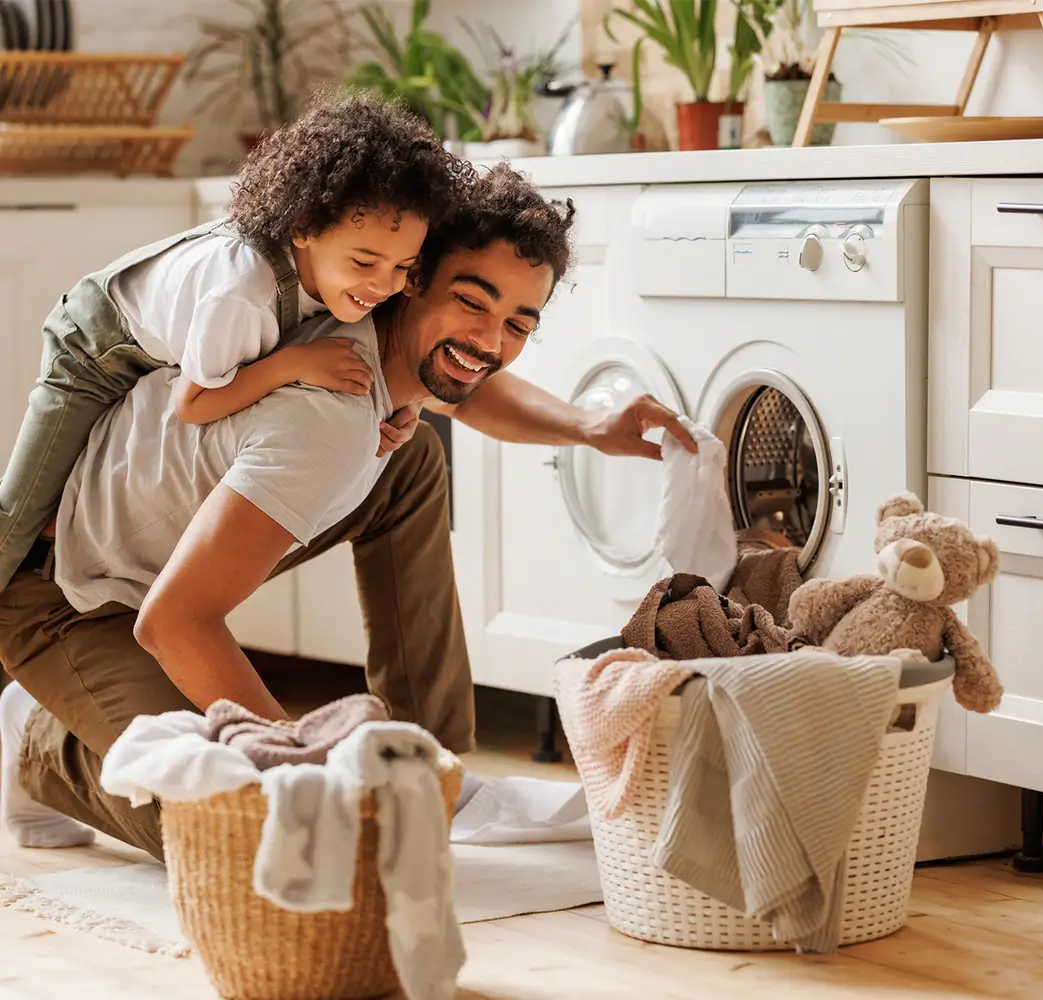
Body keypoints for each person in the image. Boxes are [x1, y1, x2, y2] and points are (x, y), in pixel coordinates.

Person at [0, 163, 695, 859]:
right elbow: (175, 622)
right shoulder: (325, 418)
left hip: (154, 549)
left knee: (409, 459)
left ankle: (425, 760)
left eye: (518, 323)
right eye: (472, 302)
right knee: (259, 840)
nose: (490, 340)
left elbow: (466, 383)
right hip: (67, 595)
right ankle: (38, 742)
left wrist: (591, 427)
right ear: (414, 280)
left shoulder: (366, 315)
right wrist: (308, 768)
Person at [0, 89, 473, 595]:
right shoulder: (242, 292)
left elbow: (387, 356)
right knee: (20, 512)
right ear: (305, 227)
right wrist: (293, 363)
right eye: (364, 262)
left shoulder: (350, 282)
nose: (383, 285)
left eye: (403, 267)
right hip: (93, 349)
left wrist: (401, 406)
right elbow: (193, 404)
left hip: (166, 343)